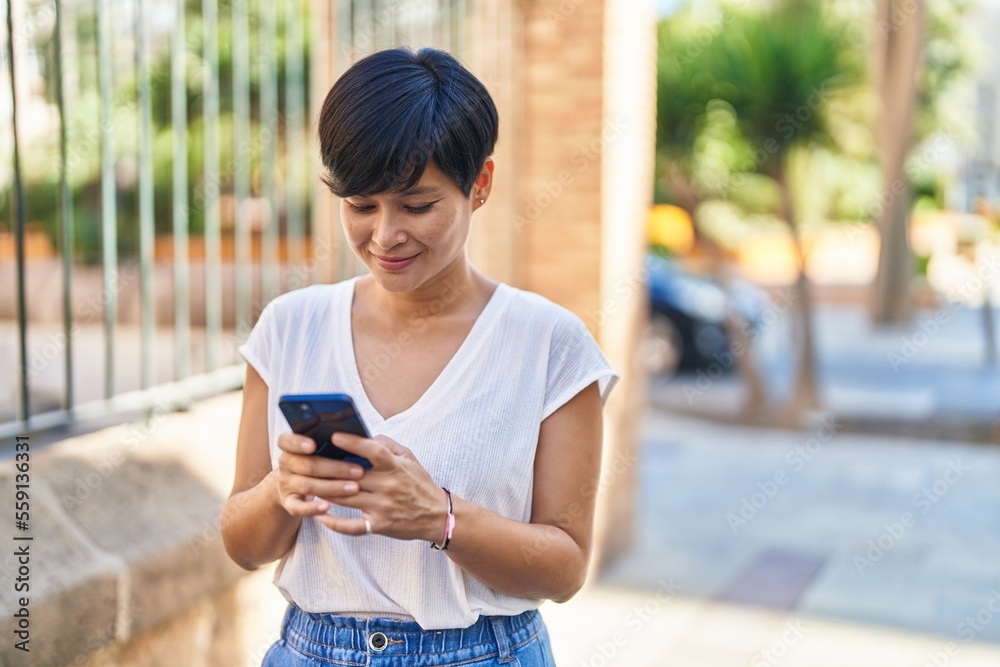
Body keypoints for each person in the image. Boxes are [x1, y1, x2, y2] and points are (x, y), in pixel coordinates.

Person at [221, 46, 620, 667]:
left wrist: (440, 517)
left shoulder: (549, 344)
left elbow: (564, 567)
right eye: (360, 206)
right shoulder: (289, 328)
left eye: (416, 205)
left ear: (479, 184)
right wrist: (282, 491)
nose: (384, 236)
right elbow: (243, 546)